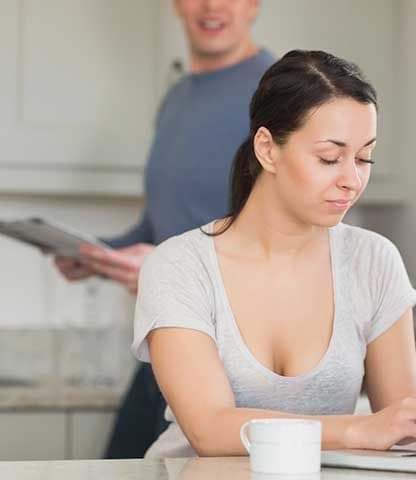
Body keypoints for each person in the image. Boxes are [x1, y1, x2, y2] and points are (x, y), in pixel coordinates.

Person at [133, 50, 416, 458]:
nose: (352, 179)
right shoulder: (180, 266)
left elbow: (397, 421)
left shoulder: (374, 261)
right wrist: (362, 429)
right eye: (330, 158)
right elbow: (210, 429)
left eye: (364, 158)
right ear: (267, 149)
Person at [53, 0, 275, 458]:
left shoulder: (278, 94)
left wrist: (161, 268)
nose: (212, 6)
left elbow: (287, 239)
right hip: (164, 342)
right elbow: (160, 225)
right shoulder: (176, 99)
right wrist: (97, 254)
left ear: (254, 4)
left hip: (230, 363)